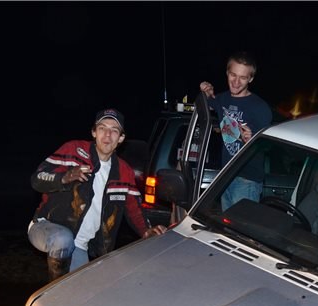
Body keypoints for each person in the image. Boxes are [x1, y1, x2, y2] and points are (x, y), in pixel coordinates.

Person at [28, 108, 167, 281]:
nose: (107, 135)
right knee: (63, 240)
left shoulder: (124, 171)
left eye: (114, 130)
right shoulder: (73, 150)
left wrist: (146, 231)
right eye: (102, 128)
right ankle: (55, 290)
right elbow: (37, 179)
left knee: (86, 294)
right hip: (46, 227)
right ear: (94, 132)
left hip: (80, 246)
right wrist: (65, 177)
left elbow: (134, 209)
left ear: (121, 138)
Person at [199, 51, 273, 210]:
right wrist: (205, 90)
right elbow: (204, 104)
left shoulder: (260, 108)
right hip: (225, 176)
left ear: (251, 79)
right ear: (227, 73)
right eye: (233, 75)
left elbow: (270, 146)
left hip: (247, 180)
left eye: (243, 77)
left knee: (241, 231)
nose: (236, 82)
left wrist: (254, 141)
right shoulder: (222, 99)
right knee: (226, 229)